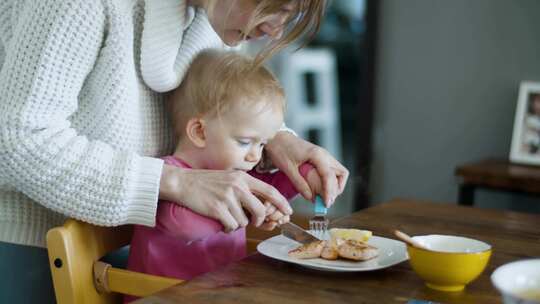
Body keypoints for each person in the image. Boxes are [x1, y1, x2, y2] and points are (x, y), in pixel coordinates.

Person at [0, 0, 348, 302]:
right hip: (31, 242)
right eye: (274, 9)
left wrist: (276, 140)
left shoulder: (212, 13)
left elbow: (216, 103)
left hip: (124, 246)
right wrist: (177, 183)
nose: (275, 31)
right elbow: (18, 137)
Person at [125, 49, 326, 302]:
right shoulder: (167, 177)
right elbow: (186, 226)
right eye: (245, 142)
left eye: (263, 144)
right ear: (199, 131)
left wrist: (306, 173)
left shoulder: (234, 171)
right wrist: (252, 209)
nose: (256, 156)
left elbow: (272, 188)